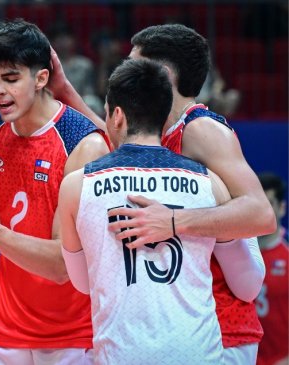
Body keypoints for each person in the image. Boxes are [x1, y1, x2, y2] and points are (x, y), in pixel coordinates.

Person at [50, 23, 273, 364]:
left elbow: (260, 214)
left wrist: (172, 221)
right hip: (189, 313)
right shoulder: (163, 130)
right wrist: (66, 93)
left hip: (221, 325)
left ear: (163, 73)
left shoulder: (201, 129)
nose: (126, 70)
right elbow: (120, 134)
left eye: (133, 63)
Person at [0, 19, 110, 364]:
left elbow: (60, 265)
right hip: (6, 328)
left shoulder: (83, 146)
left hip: (74, 332)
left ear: (40, 78)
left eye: (10, 78)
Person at [60, 57, 227, 364]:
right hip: (200, 353)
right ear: (164, 117)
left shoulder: (76, 186)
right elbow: (246, 277)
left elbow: (82, 282)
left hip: (122, 354)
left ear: (117, 115)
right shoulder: (210, 183)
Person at [256, 172, 288, 365]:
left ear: (282, 208)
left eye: (270, 204)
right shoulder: (237, 252)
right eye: (260, 204)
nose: (264, 211)